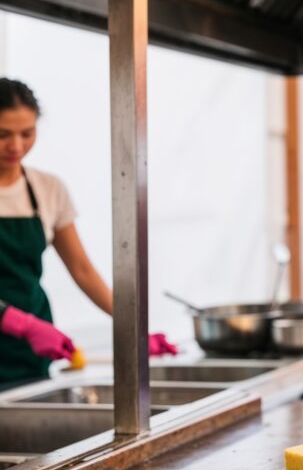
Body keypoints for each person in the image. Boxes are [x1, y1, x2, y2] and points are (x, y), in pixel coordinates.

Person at [0, 78, 176, 389]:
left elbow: (82, 270)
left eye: (27, 133)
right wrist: (19, 323)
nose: (16, 146)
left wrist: (132, 327)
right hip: (24, 330)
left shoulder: (47, 189)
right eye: (3, 134)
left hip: (30, 354)